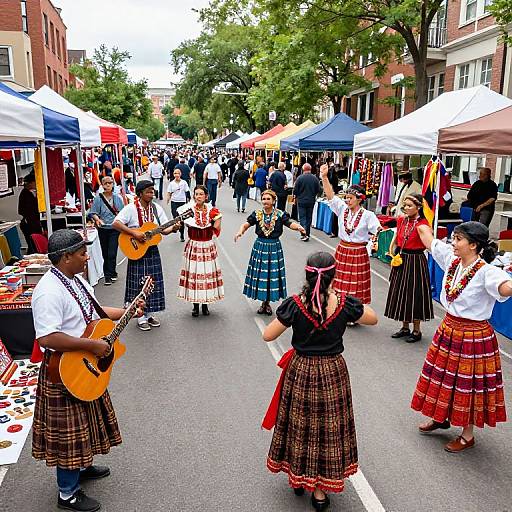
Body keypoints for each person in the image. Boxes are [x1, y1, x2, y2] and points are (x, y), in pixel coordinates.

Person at [31, 229, 145, 512]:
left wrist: (128, 309)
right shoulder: (48, 291)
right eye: (82, 253)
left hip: (83, 364)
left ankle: (81, 468)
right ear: (66, 257)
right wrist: (92, 345)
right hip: (66, 368)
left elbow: (94, 312)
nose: (87, 257)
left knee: (83, 426)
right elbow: (46, 338)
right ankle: (67, 494)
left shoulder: (75, 280)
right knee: (70, 434)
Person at [262, 251, 377, 511]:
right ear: (334, 275)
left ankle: (299, 476)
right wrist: (342, 297)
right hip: (333, 371)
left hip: (301, 370)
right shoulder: (345, 304)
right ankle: (320, 492)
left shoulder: (295, 304)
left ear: (306, 274)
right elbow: (372, 318)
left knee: (301, 425)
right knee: (328, 429)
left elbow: (268, 335)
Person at [412, 221, 512, 452]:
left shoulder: (488, 272)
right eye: (454, 238)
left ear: (474, 245)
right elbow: (428, 240)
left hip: (473, 336)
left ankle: (468, 435)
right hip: (449, 329)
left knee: (467, 385)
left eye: (458, 239)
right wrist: (419, 219)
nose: (453, 243)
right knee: (443, 378)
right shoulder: (452, 260)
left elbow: (505, 288)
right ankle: (441, 417)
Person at [112, 180, 180, 331]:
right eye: (148, 191)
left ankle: (148, 313)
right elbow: (116, 223)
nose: (151, 194)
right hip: (136, 250)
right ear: (140, 193)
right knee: (138, 282)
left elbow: (164, 229)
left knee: (151, 283)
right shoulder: (130, 208)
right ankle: (139, 315)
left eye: (152, 191)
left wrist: (174, 228)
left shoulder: (156, 209)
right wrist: (134, 232)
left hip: (151, 250)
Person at [235, 190, 306, 315]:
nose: (265, 201)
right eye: (264, 199)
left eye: (268, 199)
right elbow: (246, 224)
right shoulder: (257, 214)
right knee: (261, 274)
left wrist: (299, 227)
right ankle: (263, 302)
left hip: (274, 247)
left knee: (270, 275)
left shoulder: (280, 214)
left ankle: (266, 303)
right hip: (260, 246)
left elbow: (290, 223)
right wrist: (240, 231)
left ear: (274, 201)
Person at [320, 164, 381, 306]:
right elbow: (330, 196)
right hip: (343, 249)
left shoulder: (368, 215)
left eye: (350, 198)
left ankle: (353, 311)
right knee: (339, 279)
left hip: (358, 252)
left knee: (356, 283)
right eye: (346, 197)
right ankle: (338, 307)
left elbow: (378, 230)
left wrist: (374, 239)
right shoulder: (342, 209)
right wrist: (324, 177)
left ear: (359, 199)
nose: (347, 200)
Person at [384, 194, 433, 342]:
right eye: (404, 205)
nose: (405, 208)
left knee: (415, 294)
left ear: (418, 207)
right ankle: (405, 327)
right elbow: (397, 237)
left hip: (416, 260)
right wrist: (392, 248)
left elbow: (430, 244)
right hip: (402, 258)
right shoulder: (401, 220)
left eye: (409, 206)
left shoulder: (423, 225)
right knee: (401, 293)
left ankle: (417, 331)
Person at [177, 185, 224, 316]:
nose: (198, 196)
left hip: (207, 246)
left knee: (206, 275)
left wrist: (217, 219)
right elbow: (179, 223)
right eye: (196, 194)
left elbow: (216, 225)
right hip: (194, 246)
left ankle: (205, 305)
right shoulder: (187, 210)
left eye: (201, 194)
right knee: (195, 275)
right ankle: (195, 306)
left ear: (206, 196)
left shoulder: (212, 210)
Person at [89, 175, 125, 286]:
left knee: (112, 252)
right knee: (105, 252)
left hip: (115, 228)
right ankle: (109, 273)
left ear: (113, 184)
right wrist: (98, 219)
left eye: (110, 183)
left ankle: (110, 275)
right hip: (103, 229)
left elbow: (123, 213)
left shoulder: (117, 198)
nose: (108, 185)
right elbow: (93, 212)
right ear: (102, 185)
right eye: (106, 183)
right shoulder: (98, 198)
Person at [293, 163, 321, 242]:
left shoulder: (299, 178)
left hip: (301, 200)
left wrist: (296, 196)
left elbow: (295, 190)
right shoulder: (315, 178)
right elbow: (319, 189)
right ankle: (307, 233)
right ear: (310, 169)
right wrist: (314, 195)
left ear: (303, 169)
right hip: (311, 200)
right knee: (309, 218)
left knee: (302, 218)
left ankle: (303, 234)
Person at [18, 172, 42, 254]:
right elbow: (24, 210)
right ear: (31, 183)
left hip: (32, 222)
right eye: (35, 182)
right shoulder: (25, 194)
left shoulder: (29, 193)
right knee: (33, 245)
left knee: (33, 245)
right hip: (29, 224)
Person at [166, 169, 190, 242]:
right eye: (175, 173)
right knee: (175, 218)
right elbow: (169, 192)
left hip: (182, 202)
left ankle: (182, 234)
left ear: (180, 174)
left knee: (181, 219)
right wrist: (168, 199)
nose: (176, 175)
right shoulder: (171, 183)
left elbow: (187, 192)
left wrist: (189, 201)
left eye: (178, 173)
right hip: (174, 202)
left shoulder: (184, 182)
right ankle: (177, 228)